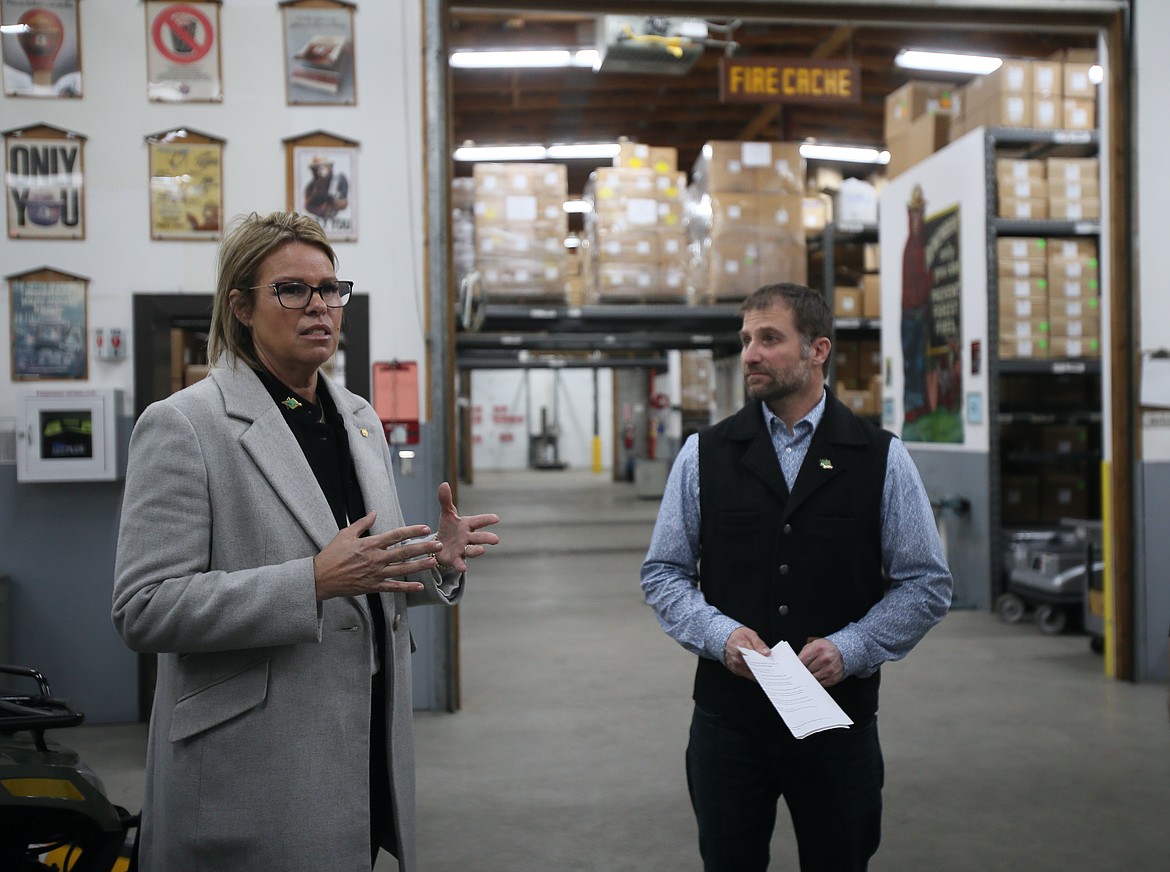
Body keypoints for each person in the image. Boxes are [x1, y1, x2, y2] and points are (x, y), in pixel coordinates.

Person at [112, 210, 500, 871]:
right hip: (251, 767)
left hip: (360, 748)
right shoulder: (184, 427)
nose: (320, 307)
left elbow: (362, 569)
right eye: (293, 289)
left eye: (331, 290)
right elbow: (144, 607)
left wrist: (432, 562)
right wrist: (309, 583)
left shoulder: (357, 419)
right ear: (240, 307)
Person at [641, 282, 953, 872]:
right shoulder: (703, 454)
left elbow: (925, 582)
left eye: (769, 339)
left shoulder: (878, 456)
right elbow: (664, 572)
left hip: (838, 727)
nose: (750, 354)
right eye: (746, 340)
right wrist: (719, 635)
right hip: (729, 726)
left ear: (818, 350)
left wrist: (853, 646)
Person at [304, 153, 349, 220]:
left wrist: (334, 201)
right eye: (315, 168)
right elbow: (308, 206)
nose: (318, 171)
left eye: (322, 167)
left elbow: (343, 203)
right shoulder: (311, 187)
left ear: (330, 167)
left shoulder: (339, 180)